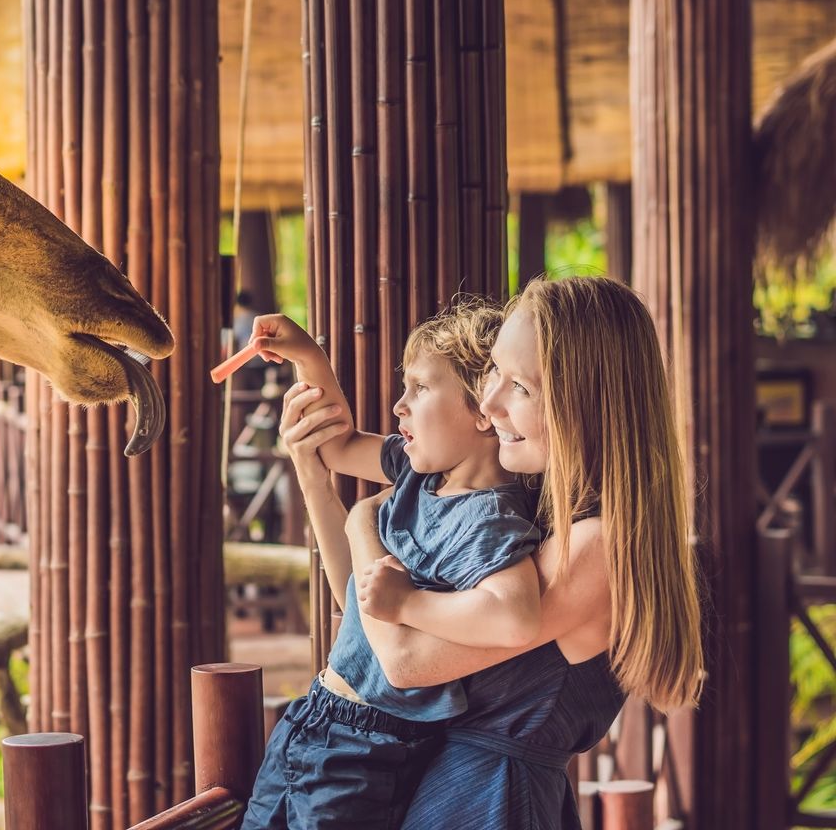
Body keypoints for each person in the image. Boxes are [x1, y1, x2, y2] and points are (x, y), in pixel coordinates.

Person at [283, 276, 704, 828]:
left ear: (586, 401)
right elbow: (366, 616)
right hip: (451, 791)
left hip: (492, 803)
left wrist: (366, 519)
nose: (488, 402)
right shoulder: (537, 507)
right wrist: (314, 476)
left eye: (520, 387)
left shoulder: (596, 546)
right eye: (495, 376)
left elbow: (404, 660)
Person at [240, 300, 545, 829]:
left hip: (367, 749)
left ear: (481, 410)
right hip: (315, 716)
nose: (399, 406)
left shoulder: (487, 518)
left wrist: (407, 602)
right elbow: (335, 446)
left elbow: (515, 613)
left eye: (421, 388)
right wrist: (309, 358)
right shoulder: (417, 473)